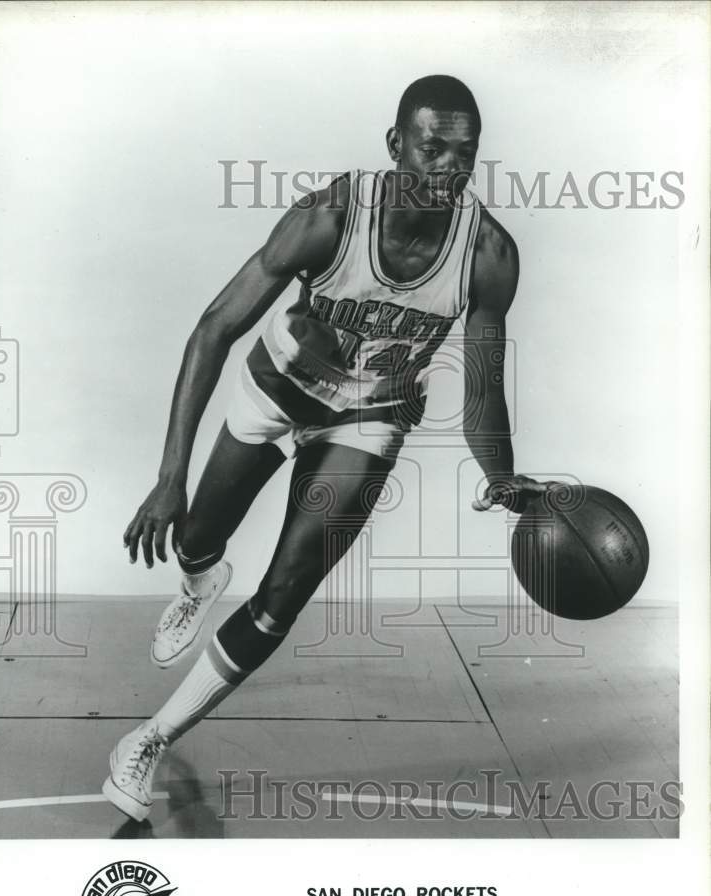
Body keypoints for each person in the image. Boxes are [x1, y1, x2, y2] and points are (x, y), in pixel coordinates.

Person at [102, 74, 544, 822]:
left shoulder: (489, 254)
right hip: (280, 388)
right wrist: (169, 477)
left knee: (287, 589)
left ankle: (147, 740)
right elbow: (214, 326)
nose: (446, 166)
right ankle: (199, 581)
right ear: (394, 144)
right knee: (199, 533)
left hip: (370, 419)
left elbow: (480, 390)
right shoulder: (331, 215)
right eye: (431, 146)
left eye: (463, 153)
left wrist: (502, 478)